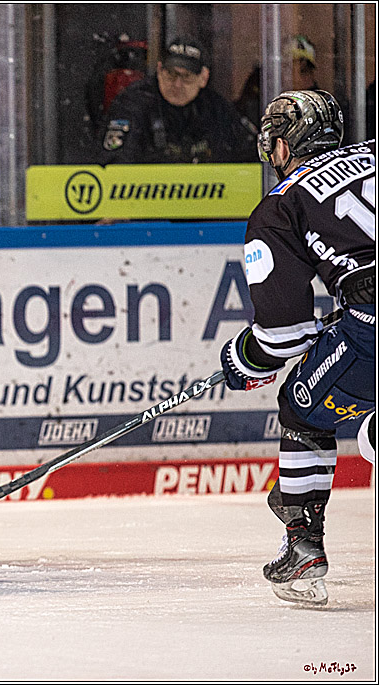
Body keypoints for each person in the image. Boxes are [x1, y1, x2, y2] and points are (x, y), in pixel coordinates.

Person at [218, 90, 375, 606]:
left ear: (283, 146)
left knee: (303, 410)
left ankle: (303, 547)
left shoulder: (281, 205)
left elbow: (282, 334)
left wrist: (245, 358)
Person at [99, 37, 257, 164]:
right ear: (159, 70)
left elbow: (248, 155)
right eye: (171, 74)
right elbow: (114, 162)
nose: (177, 84)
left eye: (187, 77)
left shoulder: (216, 108)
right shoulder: (133, 103)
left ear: (203, 78)